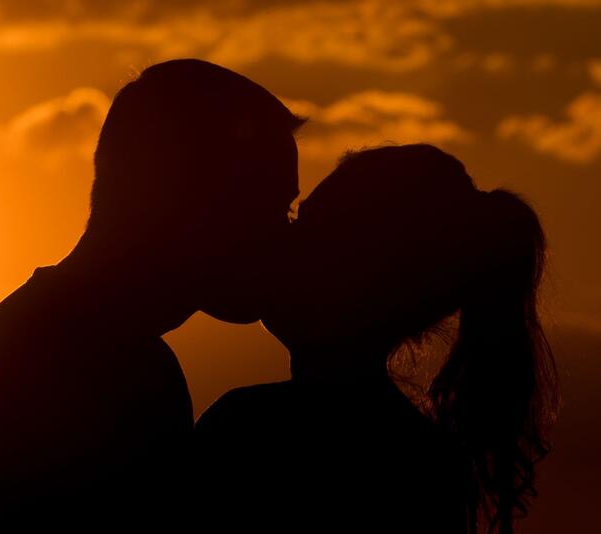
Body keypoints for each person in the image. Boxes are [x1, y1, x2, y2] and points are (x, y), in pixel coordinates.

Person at [0, 59, 305, 530]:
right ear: (184, 198)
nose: (284, 237)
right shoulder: (95, 360)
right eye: (269, 206)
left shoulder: (52, 334)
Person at [194, 144, 559, 533]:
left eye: (313, 231)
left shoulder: (248, 433)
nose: (285, 239)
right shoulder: (426, 463)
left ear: (368, 278)